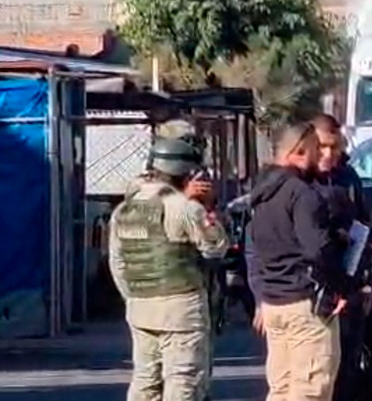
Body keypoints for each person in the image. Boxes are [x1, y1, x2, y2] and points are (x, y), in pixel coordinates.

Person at [108, 138, 228, 401]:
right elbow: (216, 247)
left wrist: (133, 297)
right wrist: (206, 207)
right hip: (180, 309)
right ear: (186, 172)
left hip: (140, 307)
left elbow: (117, 263)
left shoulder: (124, 209)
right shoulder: (185, 208)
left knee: (145, 382)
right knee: (183, 382)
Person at [247, 122, 348, 401]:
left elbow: (256, 248)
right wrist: (341, 286)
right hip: (306, 306)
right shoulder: (302, 195)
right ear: (299, 152)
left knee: (281, 388)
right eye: (316, 151)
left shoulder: (262, 195)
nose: (322, 158)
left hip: (274, 303)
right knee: (310, 390)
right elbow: (317, 248)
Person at [310, 113, 372, 401]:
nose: (329, 154)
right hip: (309, 292)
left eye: (335, 147)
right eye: (323, 147)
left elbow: (363, 229)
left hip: (349, 289)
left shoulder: (347, 178)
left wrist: (363, 281)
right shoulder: (298, 181)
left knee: (347, 370)